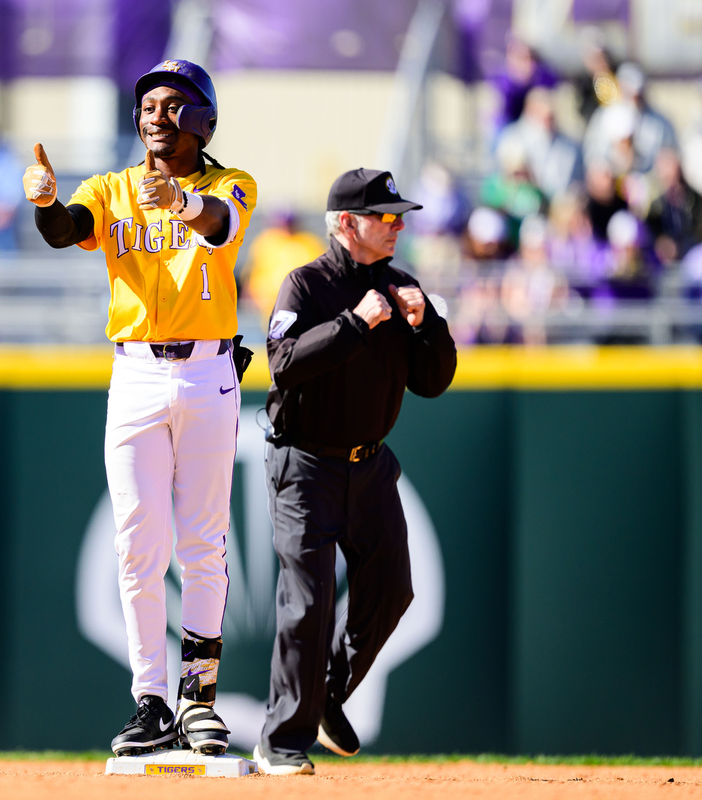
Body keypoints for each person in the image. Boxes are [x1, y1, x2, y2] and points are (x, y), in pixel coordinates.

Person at [23, 59, 257, 757]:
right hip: (134, 373)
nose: (155, 114)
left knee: (204, 541)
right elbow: (70, 229)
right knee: (138, 545)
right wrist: (43, 203)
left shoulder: (229, 183)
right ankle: (151, 700)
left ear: (203, 120)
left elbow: (218, 225)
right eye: (147, 104)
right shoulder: (113, 187)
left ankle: (199, 700)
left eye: (172, 103)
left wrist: (178, 204)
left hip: (208, 371)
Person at [254, 168, 456, 775]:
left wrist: (428, 327)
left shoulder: (402, 288)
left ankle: (326, 694)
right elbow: (283, 364)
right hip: (305, 463)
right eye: (384, 216)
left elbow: (434, 381)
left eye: (400, 217)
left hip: (369, 466)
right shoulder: (305, 284)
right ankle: (281, 743)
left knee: (393, 590)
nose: (397, 225)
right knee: (308, 600)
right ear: (346, 224)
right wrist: (352, 325)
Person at [240, 210, 325, 322]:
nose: (285, 227)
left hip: (301, 307)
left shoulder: (309, 242)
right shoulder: (266, 241)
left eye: (288, 223)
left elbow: (320, 274)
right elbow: (253, 272)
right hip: (268, 308)